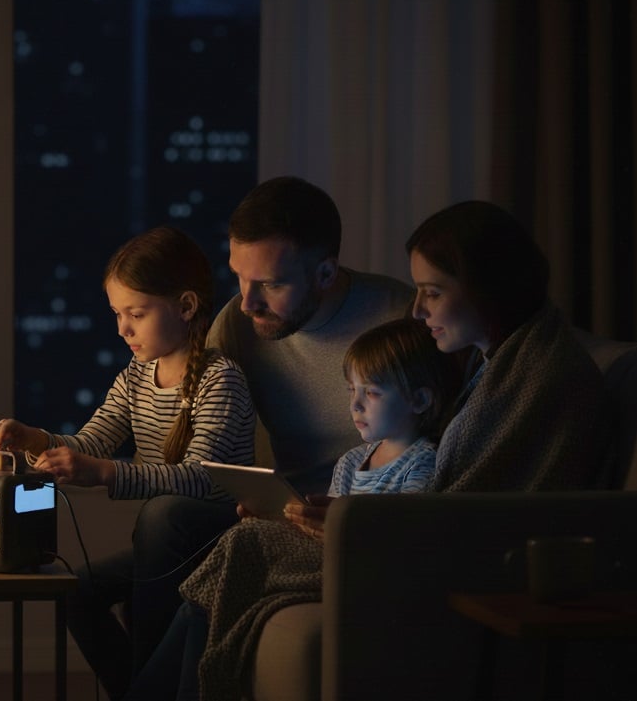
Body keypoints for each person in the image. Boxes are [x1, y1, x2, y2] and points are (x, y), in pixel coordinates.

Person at [124, 316, 463, 701]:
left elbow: (400, 528)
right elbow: (318, 530)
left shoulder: (421, 463)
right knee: (208, 591)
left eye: (372, 393)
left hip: (356, 565)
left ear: (419, 400)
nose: (354, 404)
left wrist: (339, 520)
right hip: (324, 554)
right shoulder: (352, 461)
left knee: (236, 554)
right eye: (352, 389)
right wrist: (284, 514)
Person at [0, 226, 255, 701]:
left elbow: (199, 478)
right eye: (117, 314)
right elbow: (93, 441)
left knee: (165, 509)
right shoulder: (136, 376)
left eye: (137, 314)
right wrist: (33, 439)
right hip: (164, 544)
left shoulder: (220, 380)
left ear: (186, 307)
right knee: (76, 591)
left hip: (218, 535)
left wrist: (103, 473)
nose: (122, 329)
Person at [292, 198, 610, 536]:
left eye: (433, 293)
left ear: (485, 288)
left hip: (456, 561)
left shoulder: (542, 379)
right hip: (397, 537)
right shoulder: (487, 362)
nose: (417, 311)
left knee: (250, 545)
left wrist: (362, 527)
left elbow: (478, 518)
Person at [208, 176, 414, 494]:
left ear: (325, 274)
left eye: (271, 284)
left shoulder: (402, 318)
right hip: (281, 505)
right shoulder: (236, 324)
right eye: (240, 277)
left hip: (372, 511)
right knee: (167, 517)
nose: (248, 304)